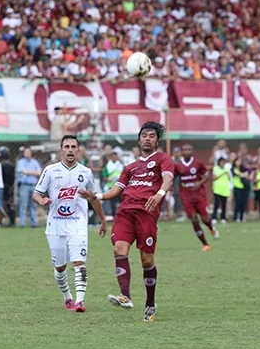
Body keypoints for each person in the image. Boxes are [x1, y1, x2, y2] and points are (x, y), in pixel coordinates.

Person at [79, 121, 174, 322]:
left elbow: (167, 179)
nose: (147, 139)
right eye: (144, 135)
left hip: (146, 212)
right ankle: (125, 296)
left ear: (157, 140)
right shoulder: (130, 167)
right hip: (125, 212)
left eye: (151, 136)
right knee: (118, 250)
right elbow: (116, 190)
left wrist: (160, 193)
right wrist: (95, 196)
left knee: (146, 261)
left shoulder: (163, 159)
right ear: (139, 139)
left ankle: (150, 303)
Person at [33, 135, 108, 312]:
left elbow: (94, 199)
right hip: (56, 225)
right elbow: (36, 193)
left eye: (73, 146)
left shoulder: (86, 173)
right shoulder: (50, 171)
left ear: (78, 151)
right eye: (66, 146)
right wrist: (41, 200)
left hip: (78, 224)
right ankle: (67, 297)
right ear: (61, 151)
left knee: (79, 262)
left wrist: (103, 220)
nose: (70, 150)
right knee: (60, 267)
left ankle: (80, 302)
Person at [173, 143, 219, 250]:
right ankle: (205, 244)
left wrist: (199, 183)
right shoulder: (178, 165)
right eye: (184, 150)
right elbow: (173, 176)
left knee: (206, 218)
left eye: (189, 149)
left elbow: (207, 175)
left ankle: (211, 228)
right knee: (193, 219)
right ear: (181, 152)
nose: (187, 151)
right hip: (186, 196)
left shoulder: (198, 163)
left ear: (192, 151)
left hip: (199, 195)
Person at [16, 147, 42, 227]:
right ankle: (22, 224)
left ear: (31, 153)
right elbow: (22, 171)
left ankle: (34, 223)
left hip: (33, 186)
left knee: (34, 205)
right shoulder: (21, 162)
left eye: (28, 152)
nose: (26, 154)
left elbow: (39, 172)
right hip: (24, 186)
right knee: (23, 205)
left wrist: (28, 172)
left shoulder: (35, 162)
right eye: (25, 152)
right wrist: (33, 172)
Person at [101, 149, 124, 219]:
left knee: (122, 202)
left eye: (115, 156)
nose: (114, 158)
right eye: (113, 156)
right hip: (112, 187)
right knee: (112, 203)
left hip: (120, 187)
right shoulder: (107, 166)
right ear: (111, 157)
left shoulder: (121, 165)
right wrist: (108, 179)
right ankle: (114, 217)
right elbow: (104, 177)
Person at [0, 146, 16, 227]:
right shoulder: (11, 165)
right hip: (10, 187)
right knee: (10, 204)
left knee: (2, 204)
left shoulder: (0, 165)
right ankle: (12, 221)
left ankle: (0, 221)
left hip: (2, 186)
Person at [212, 157, 231, 224]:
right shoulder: (215, 168)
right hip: (217, 189)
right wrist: (222, 173)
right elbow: (214, 178)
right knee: (216, 204)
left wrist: (227, 174)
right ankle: (214, 217)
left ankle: (223, 218)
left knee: (224, 204)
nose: (223, 163)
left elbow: (229, 178)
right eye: (222, 162)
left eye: (224, 162)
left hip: (225, 189)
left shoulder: (227, 169)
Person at [231, 157, 249, 222]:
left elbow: (249, 170)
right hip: (236, 187)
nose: (239, 163)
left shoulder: (242, 169)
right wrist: (243, 174)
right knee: (237, 202)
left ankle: (242, 217)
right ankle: (236, 217)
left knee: (242, 202)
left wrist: (246, 174)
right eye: (238, 161)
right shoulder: (233, 169)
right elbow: (236, 174)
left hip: (243, 187)